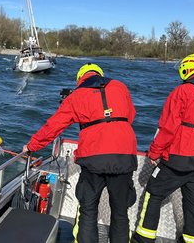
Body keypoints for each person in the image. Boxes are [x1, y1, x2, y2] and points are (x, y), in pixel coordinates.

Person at [23, 63, 137, 243]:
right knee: (120, 213)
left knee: (88, 211)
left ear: (80, 79)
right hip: (124, 156)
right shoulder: (120, 86)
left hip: (93, 158)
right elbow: (130, 115)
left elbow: (53, 127)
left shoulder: (77, 96)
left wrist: (31, 146)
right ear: (100, 74)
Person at [131, 53, 194, 243]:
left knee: (153, 194)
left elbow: (168, 127)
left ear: (187, 69)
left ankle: (143, 238)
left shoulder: (182, 91)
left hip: (175, 161)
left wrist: (154, 152)